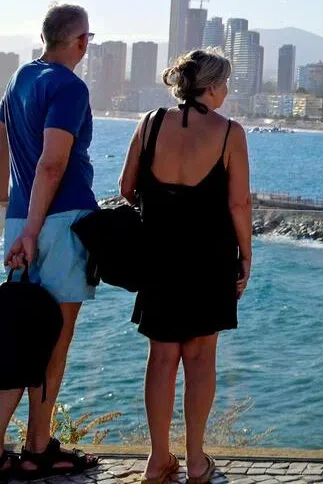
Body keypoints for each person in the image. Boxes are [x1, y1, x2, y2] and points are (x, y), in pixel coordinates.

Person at [118, 50, 252, 484]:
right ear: (210, 86)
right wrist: (246, 256)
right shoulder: (229, 132)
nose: (227, 91)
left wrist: (161, 207)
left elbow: (126, 187)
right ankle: (196, 461)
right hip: (209, 258)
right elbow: (239, 203)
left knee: (161, 358)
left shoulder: (150, 123)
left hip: (159, 255)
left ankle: (158, 459)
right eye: (225, 83)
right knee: (199, 358)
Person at [0, 5, 101, 478]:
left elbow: (4, 152)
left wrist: (16, 222)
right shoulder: (69, 86)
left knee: (17, 332)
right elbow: (53, 162)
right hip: (58, 222)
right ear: (80, 41)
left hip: (22, 215)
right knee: (54, 340)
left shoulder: (18, 79)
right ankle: (37, 447)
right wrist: (34, 231)